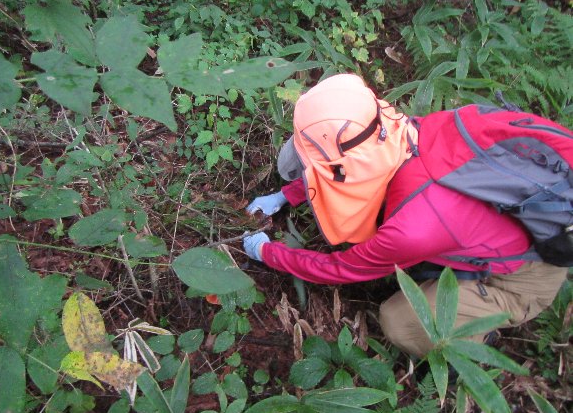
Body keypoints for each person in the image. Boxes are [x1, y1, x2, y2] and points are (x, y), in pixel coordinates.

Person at [242, 73, 568, 358]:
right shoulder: (405, 132)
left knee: (400, 322)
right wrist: (285, 196)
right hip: (485, 232)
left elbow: (342, 268)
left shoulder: (411, 229)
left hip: (520, 278)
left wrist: (268, 253)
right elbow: (347, 169)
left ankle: (472, 340)